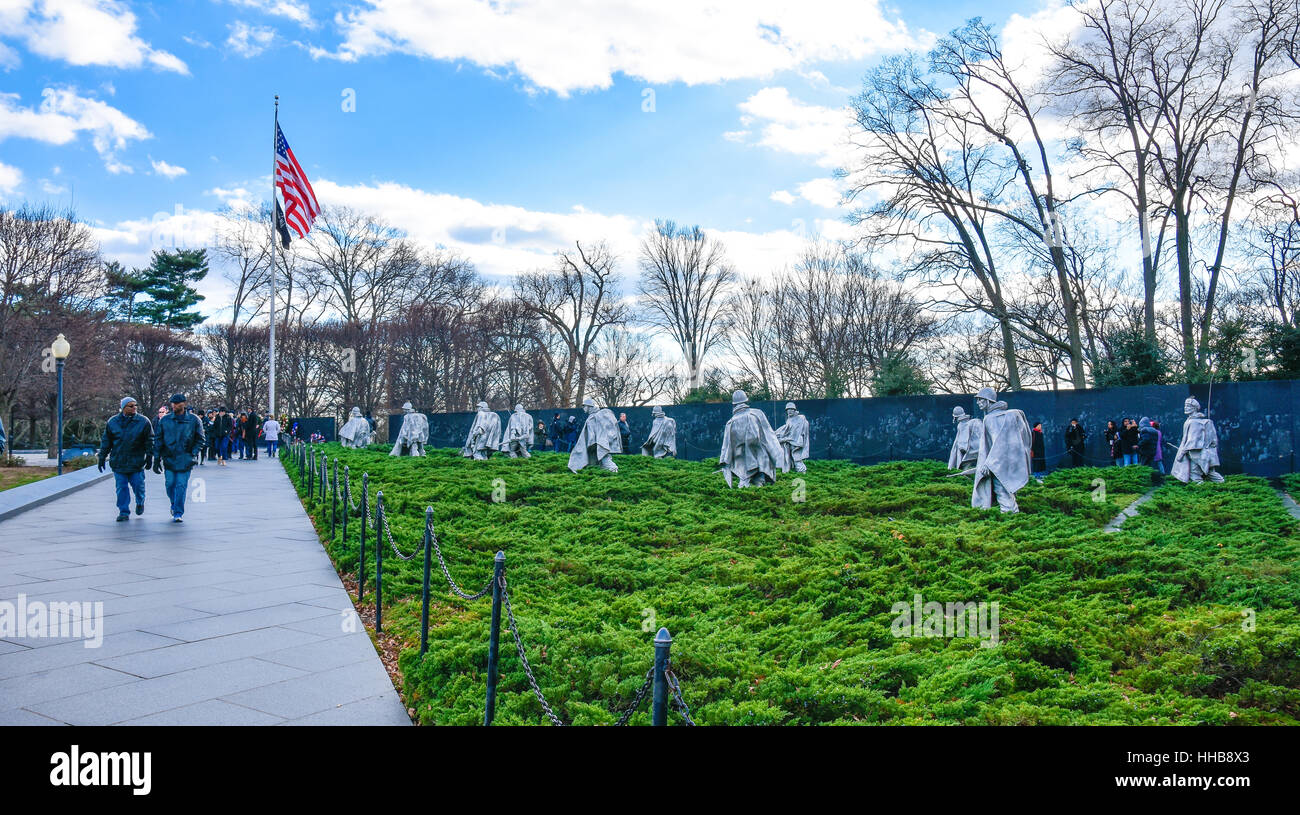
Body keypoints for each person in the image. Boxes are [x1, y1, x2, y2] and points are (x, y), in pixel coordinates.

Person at [97, 396, 154, 522]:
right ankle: (123, 511)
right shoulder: (113, 422)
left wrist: (149, 456)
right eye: (131, 406)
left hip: (136, 462)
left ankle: (140, 501)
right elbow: (106, 441)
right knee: (121, 488)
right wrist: (102, 457)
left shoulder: (144, 421)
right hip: (119, 462)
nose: (135, 408)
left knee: (138, 487)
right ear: (123, 408)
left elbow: (149, 440)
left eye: (135, 405)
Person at [153, 393, 204, 523]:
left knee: (181, 485)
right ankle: (174, 504)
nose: (174, 405)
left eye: (177, 403)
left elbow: (201, 439)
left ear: (184, 404)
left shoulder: (194, 420)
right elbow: (158, 440)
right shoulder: (165, 420)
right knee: (170, 484)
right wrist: (157, 458)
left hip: (185, 458)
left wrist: (192, 453)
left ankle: (178, 512)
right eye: (173, 403)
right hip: (169, 458)